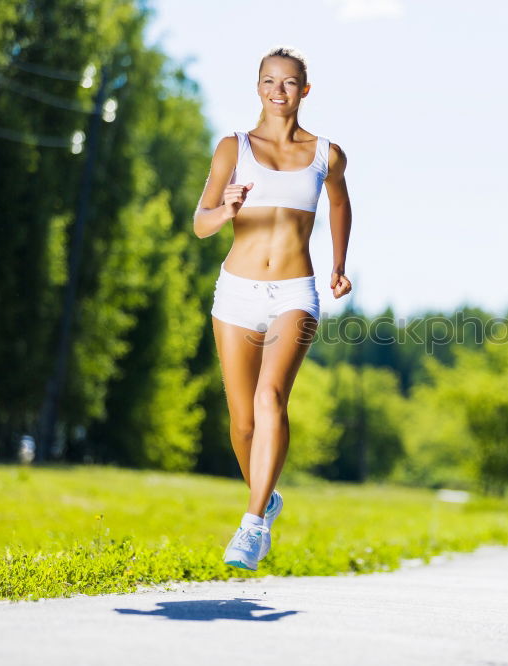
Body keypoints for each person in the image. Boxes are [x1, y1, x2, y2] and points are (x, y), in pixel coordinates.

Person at [192, 45, 352, 570]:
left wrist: (338, 265)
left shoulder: (326, 153)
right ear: (257, 86)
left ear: (304, 91)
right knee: (241, 425)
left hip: (294, 293)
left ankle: (252, 522)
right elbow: (201, 223)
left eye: (288, 83)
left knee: (270, 398)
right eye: (268, 81)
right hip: (235, 293)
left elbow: (339, 203)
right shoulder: (231, 148)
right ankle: (268, 496)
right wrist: (227, 208)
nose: (277, 91)